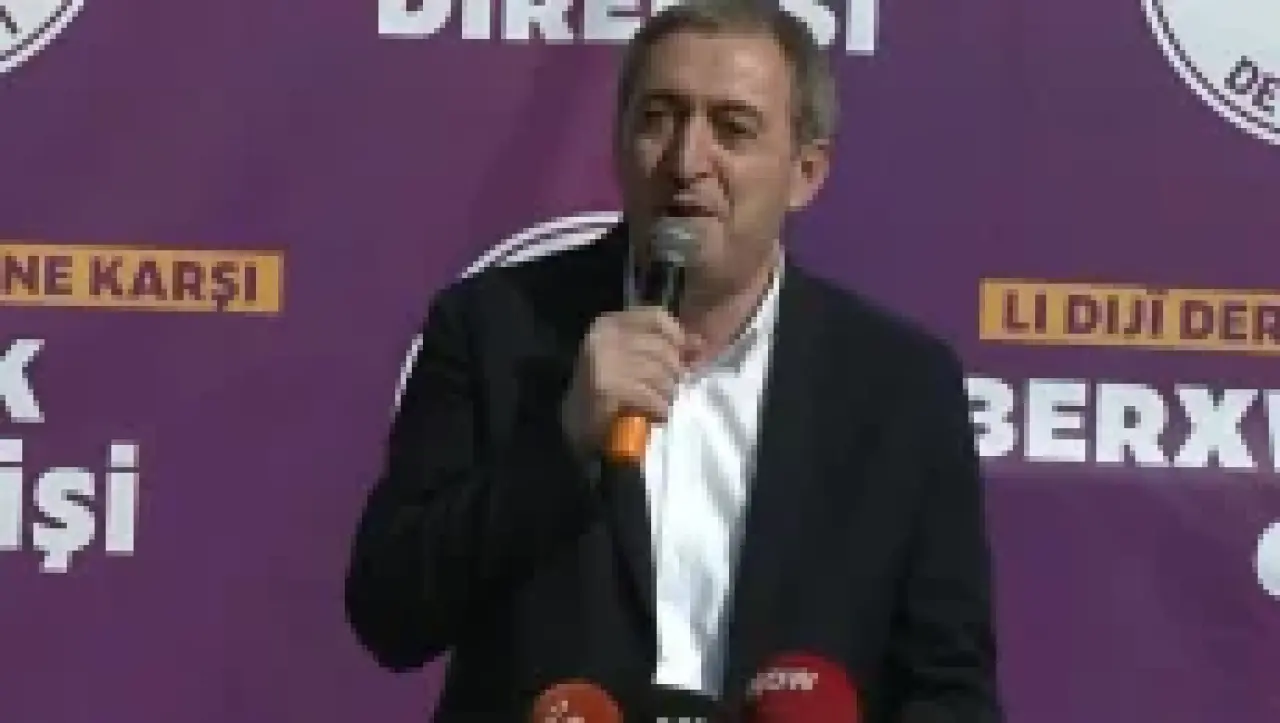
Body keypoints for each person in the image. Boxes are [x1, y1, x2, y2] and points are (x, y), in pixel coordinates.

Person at [343, 1, 1003, 720]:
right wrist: (561, 446)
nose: (688, 162)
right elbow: (390, 613)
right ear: (619, 143)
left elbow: (949, 692)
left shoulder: (901, 387)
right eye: (659, 118)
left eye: (733, 128)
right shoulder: (494, 330)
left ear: (806, 173)